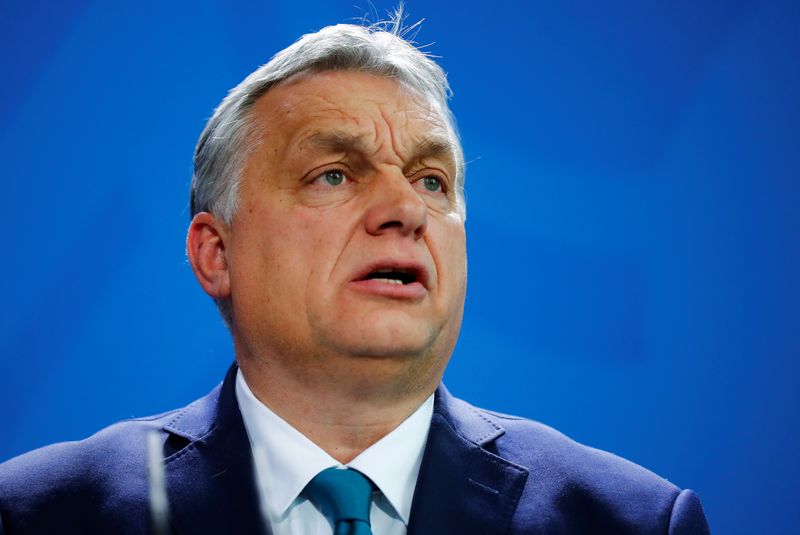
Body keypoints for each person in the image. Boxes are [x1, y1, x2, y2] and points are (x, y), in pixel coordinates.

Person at [0, 17, 710, 535]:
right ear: (215, 254)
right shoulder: (38, 514)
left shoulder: (632, 521)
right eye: (334, 173)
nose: (405, 209)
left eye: (434, 181)